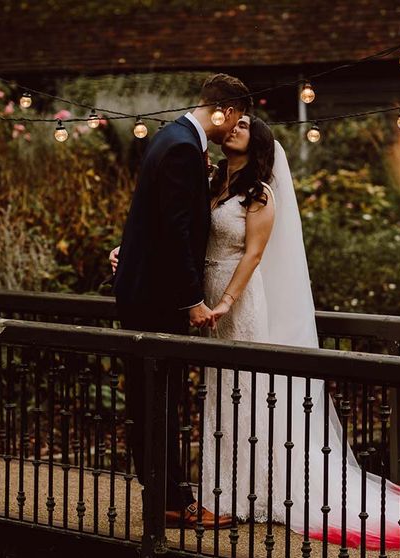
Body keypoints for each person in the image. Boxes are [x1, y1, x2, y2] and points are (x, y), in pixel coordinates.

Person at [197, 115, 400, 552]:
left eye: (245, 126)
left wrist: (225, 302)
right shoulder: (218, 184)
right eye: (232, 123)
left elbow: (254, 255)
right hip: (212, 299)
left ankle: (258, 491)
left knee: (251, 390)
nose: (235, 127)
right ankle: (229, 490)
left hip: (237, 304)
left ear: (258, 144)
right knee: (223, 389)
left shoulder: (261, 195)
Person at [111, 73, 253, 529]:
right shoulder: (181, 149)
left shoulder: (172, 138)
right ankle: (173, 503)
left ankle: (165, 497)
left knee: (151, 399)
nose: (234, 129)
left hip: (145, 291)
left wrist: (127, 250)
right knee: (158, 400)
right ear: (225, 111)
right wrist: (193, 299)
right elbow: (175, 230)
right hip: (156, 300)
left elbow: (153, 218)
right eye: (236, 119)